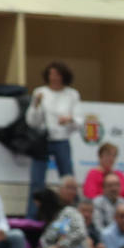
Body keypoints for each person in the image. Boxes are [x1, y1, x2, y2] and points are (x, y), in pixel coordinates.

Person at [25, 63, 80, 219]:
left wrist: (70, 119)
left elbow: (79, 121)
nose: (54, 78)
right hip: (43, 140)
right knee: (37, 181)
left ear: (63, 76)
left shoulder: (72, 94)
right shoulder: (40, 92)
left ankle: (73, 214)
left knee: (68, 179)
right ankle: (32, 217)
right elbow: (32, 122)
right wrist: (35, 104)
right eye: (51, 74)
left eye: (57, 75)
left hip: (62, 139)